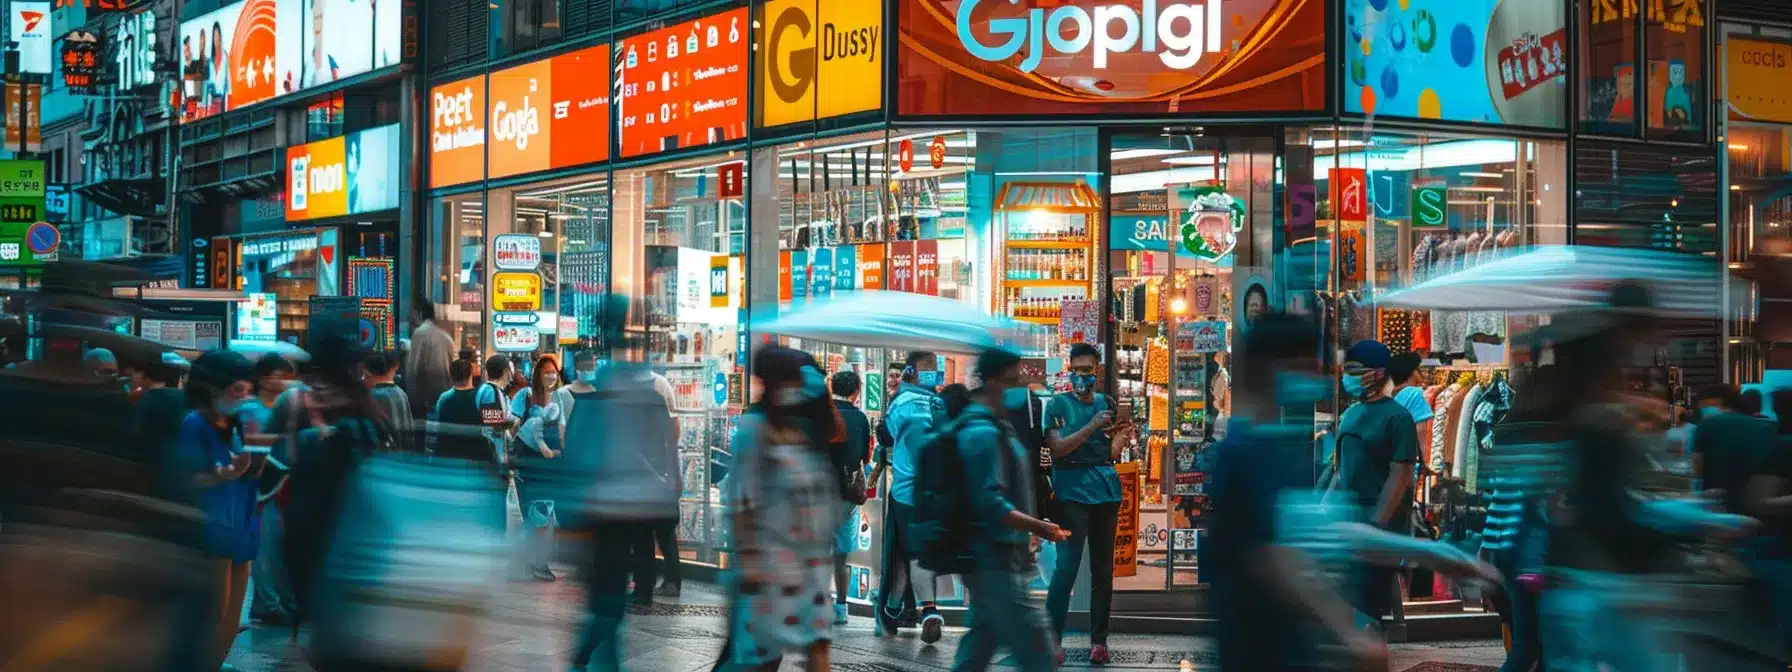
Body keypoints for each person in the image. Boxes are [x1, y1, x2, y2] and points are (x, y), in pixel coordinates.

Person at [564, 299, 681, 672]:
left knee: (607, 595)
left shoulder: (599, 399)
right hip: (622, 505)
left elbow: (577, 451)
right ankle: (586, 659)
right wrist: (671, 480)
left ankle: (588, 658)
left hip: (608, 506)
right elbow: (667, 445)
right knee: (608, 598)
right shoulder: (644, 398)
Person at [721, 347, 842, 671]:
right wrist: (749, 564)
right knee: (759, 660)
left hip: (810, 566)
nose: (796, 387)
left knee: (818, 648)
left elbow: (835, 432)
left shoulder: (804, 426)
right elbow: (743, 498)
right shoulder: (754, 426)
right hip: (769, 566)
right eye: (790, 379)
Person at [949, 347, 1069, 672]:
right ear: (995, 381)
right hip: (991, 560)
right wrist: (1038, 527)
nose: (1022, 387)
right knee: (1039, 656)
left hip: (999, 558)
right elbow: (990, 503)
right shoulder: (980, 432)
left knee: (975, 653)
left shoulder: (998, 424)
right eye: (1015, 378)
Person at [1042, 342, 1132, 663]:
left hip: (1106, 493)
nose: (1084, 376)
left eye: (1089, 370)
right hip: (1069, 496)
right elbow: (1058, 450)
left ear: (1098, 369)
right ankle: (1052, 641)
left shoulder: (1107, 403)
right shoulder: (1056, 406)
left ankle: (1100, 642)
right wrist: (1092, 425)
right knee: (1065, 570)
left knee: (1103, 572)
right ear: (1069, 370)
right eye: (1078, 370)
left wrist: (1120, 439)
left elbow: (1105, 453)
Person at [178, 350, 263, 672]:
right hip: (212, 523)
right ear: (212, 389)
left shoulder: (246, 421)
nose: (245, 398)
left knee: (232, 615)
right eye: (238, 390)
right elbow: (185, 477)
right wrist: (221, 475)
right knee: (214, 610)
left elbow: (258, 469)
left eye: (248, 391)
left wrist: (259, 442)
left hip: (242, 519)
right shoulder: (194, 424)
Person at [1327, 339, 1419, 626]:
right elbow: (1340, 472)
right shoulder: (1350, 415)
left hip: (1379, 529)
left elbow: (1401, 475)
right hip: (1347, 525)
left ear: (1378, 373)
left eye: (1356, 370)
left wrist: (1377, 526)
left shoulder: (1399, 417)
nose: (1349, 376)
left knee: (1367, 614)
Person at [875, 350, 948, 642]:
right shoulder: (942, 404)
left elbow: (888, 436)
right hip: (938, 492)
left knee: (904, 552)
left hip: (906, 491)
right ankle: (913, 609)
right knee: (919, 551)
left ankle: (909, 610)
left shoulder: (901, 403)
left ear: (909, 373)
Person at [510, 354, 564, 582]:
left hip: (549, 464)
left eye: (554, 372)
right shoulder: (525, 395)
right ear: (538, 374)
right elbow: (512, 425)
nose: (551, 375)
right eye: (547, 371)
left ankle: (540, 563)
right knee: (530, 514)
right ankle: (526, 561)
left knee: (546, 513)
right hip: (527, 464)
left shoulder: (560, 398)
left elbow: (563, 429)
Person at [828, 369, 874, 624]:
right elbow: (864, 458)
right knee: (841, 551)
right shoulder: (859, 419)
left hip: (818, 491)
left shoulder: (821, 415)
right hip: (846, 492)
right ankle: (841, 606)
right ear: (856, 391)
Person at [1692, 385, 1778, 517]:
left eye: (1703, 406)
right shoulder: (1763, 426)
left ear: (1715, 401)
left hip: (1715, 500)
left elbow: (1697, 464)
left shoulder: (1708, 424)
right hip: (1756, 501)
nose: (1701, 410)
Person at [403, 300, 455, 421]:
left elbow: (413, 368)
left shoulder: (419, 333)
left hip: (423, 401)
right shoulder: (447, 338)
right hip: (443, 399)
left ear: (419, 314)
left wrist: (411, 399)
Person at [364, 349, 414, 452]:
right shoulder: (401, 393)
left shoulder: (371, 396)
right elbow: (410, 430)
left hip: (382, 459)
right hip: (401, 456)